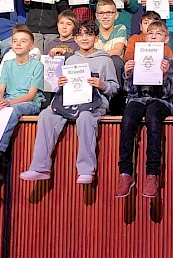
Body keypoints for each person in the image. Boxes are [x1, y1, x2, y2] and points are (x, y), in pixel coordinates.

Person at [20, 20, 118, 184]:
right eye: (80, 35)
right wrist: (60, 83)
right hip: (72, 101)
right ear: (75, 39)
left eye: (89, 34)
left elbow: (114, 89)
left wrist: (102, 85)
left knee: (85, 117)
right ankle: (40, 167)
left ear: (96, 38)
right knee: (46, 115)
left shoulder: (105, 60)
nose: (84, 38)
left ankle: (86, 170)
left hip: (94, 102)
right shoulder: (71, 60)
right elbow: (64, 87)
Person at [115, 20, 173, 198]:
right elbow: (130, 91)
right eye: (150, 33)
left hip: (160, 101)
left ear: (166, 39)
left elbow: (167, 93)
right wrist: (127, 74)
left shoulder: (169, 62)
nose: (154, 36)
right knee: (128, 118)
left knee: (153, 116)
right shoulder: (137, 58)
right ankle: (125, 174)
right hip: (139, 99)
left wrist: (164, 75)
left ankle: (152, 174)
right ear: (145, 37)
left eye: (158, 34)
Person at [0, 25, 44, 183]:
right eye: (15, 41)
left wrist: (9, 103)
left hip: (28, 102)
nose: (18, 44)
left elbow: (31, 95)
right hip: (8, 100)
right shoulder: (7, 64)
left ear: (31, 46)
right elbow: (0, 89)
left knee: (12, 111)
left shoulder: (37, 65)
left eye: (23, 41)